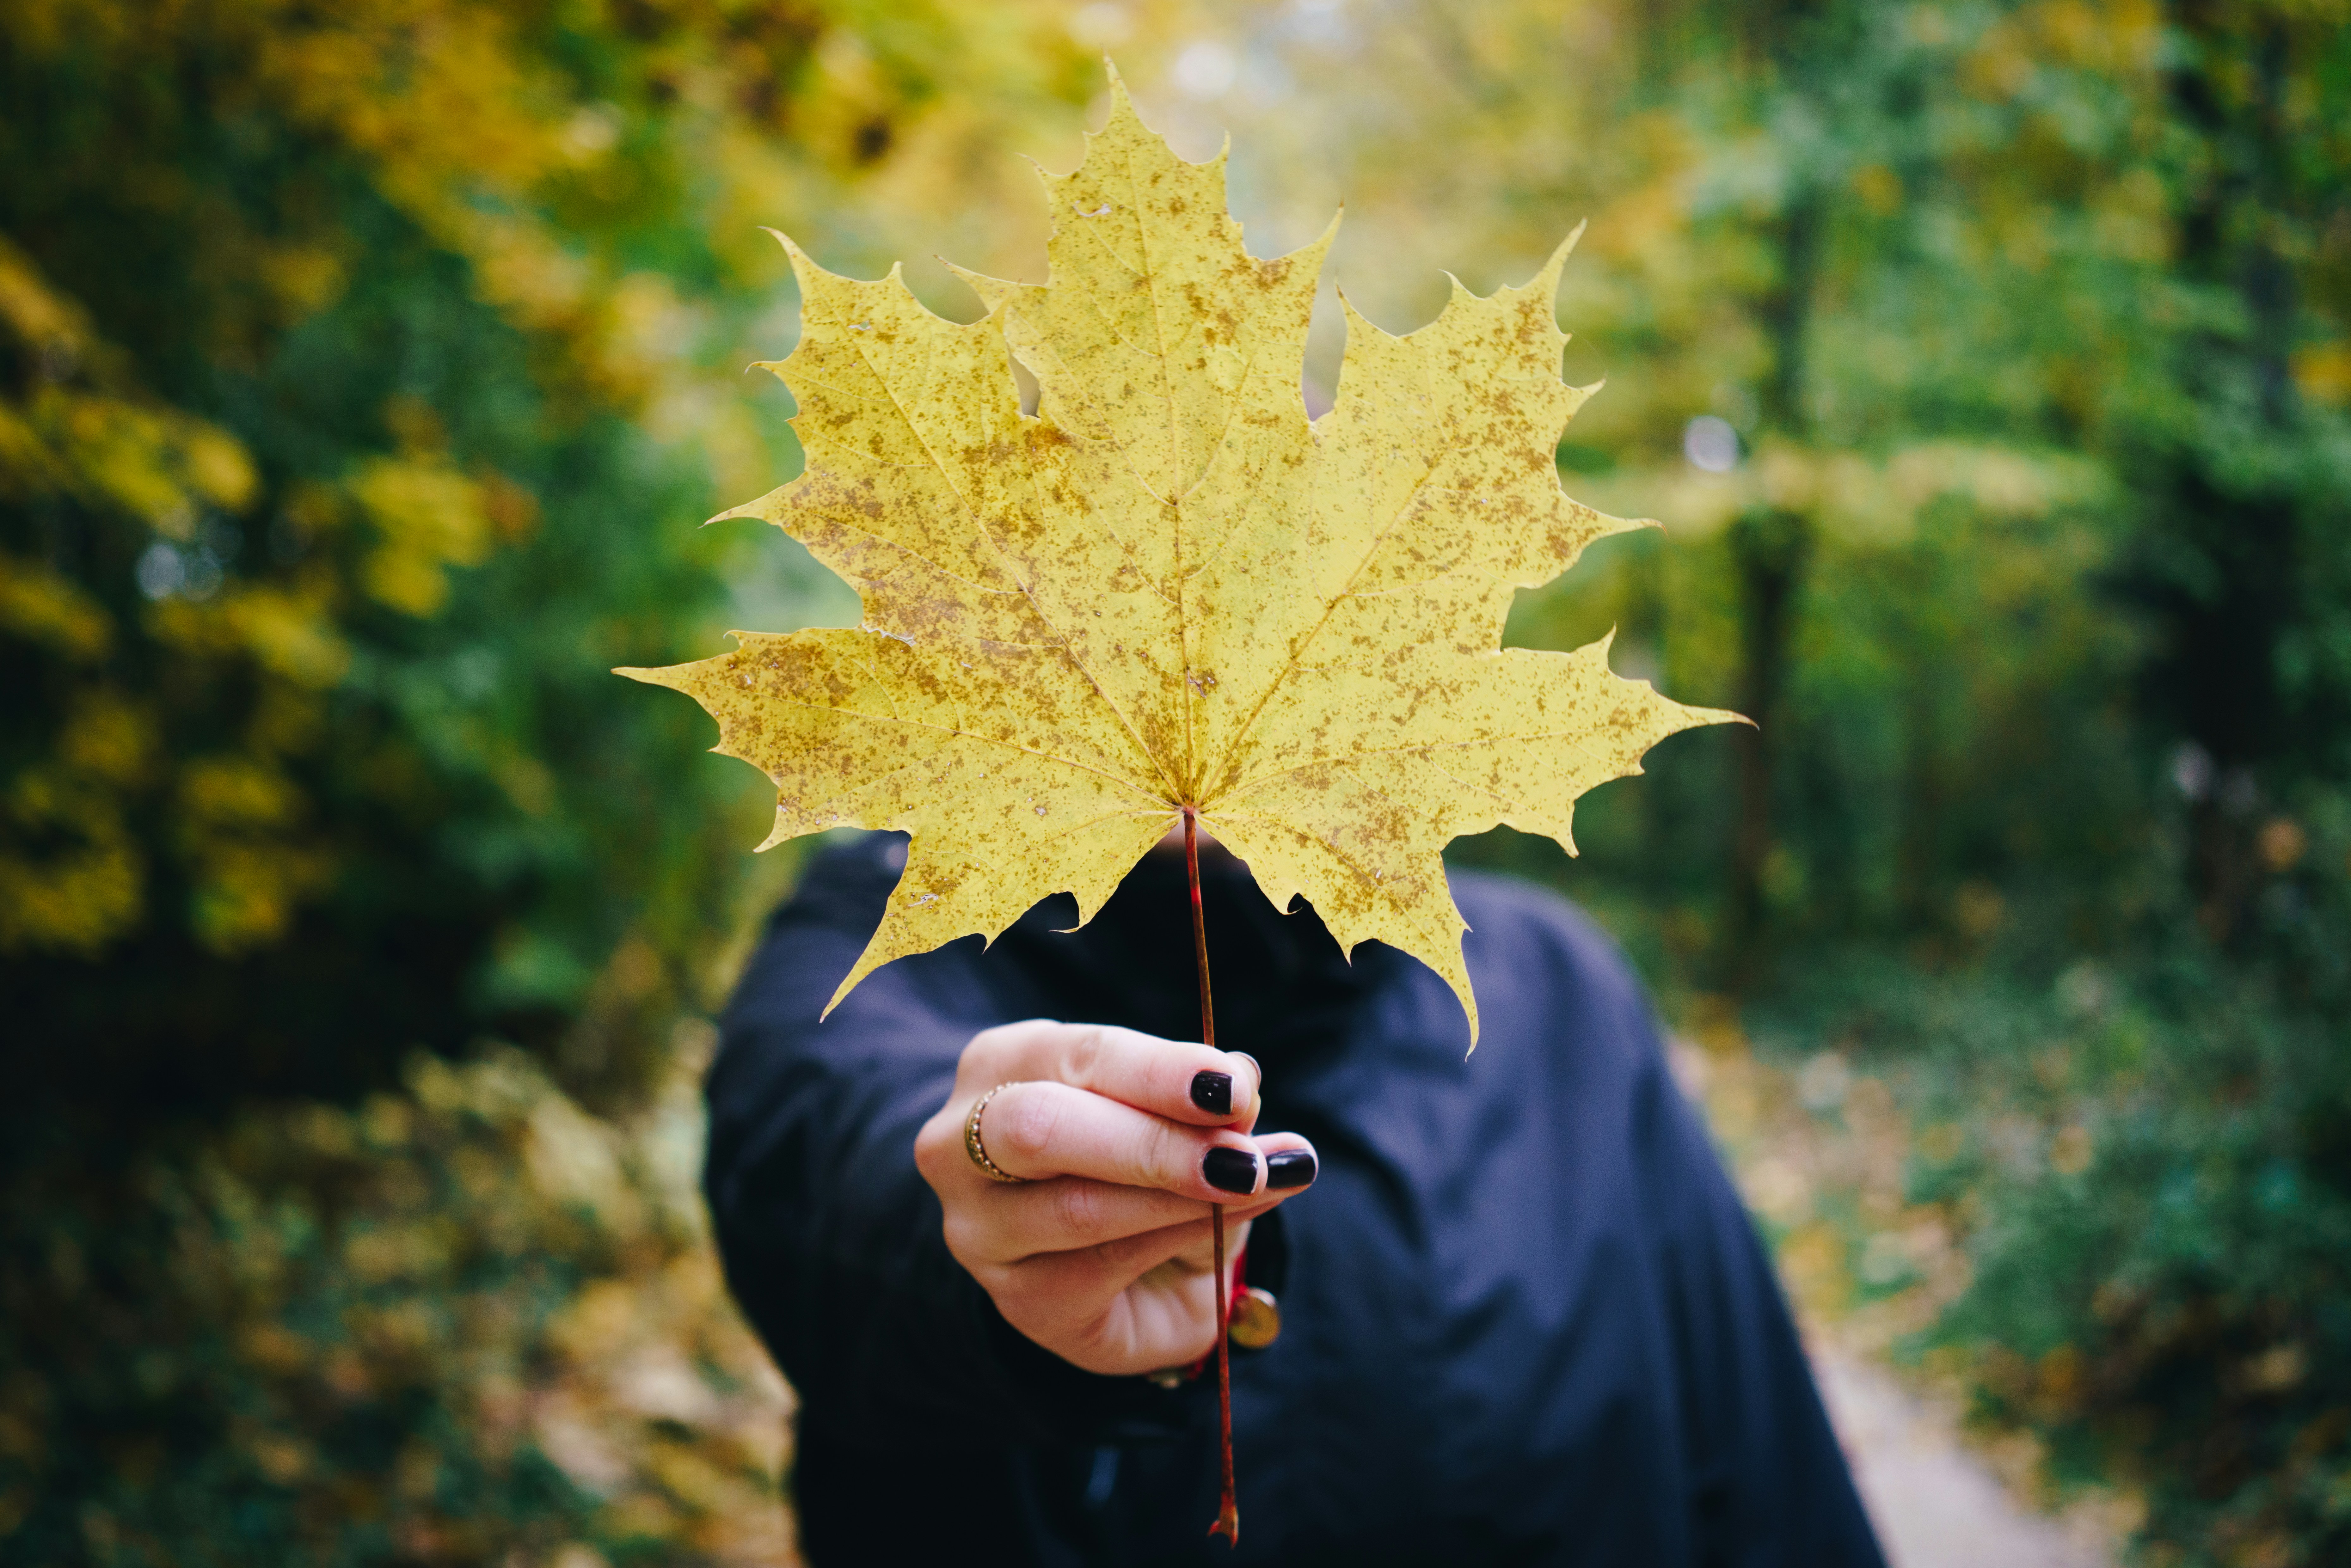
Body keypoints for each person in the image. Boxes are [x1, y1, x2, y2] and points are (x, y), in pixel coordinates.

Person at [705, 829, 1886, 1567]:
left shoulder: (1547, 984)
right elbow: (823, 1150)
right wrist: (999, 1216)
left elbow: (1758, 1472)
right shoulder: (890, 931)